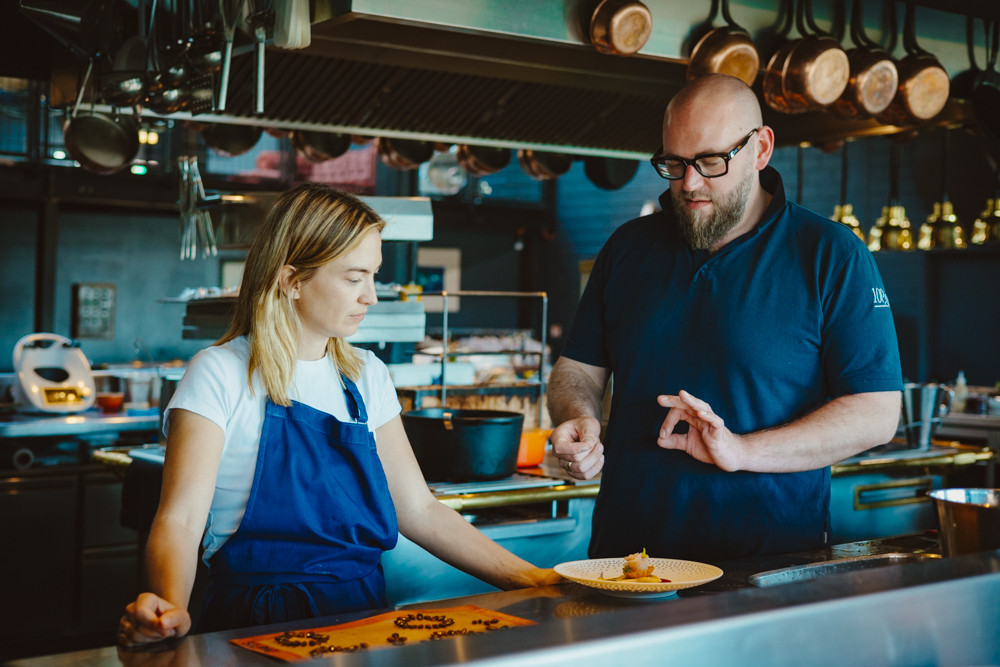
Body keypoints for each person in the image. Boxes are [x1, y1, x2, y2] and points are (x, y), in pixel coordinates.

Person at [118, 184, 559, 646]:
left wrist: (532, 578)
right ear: (292, 281)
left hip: (363, 619)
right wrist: (170, 608)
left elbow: (419, 509)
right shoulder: (221, 371)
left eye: (374, 276)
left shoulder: (367, 375)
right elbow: (180, 520)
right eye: (354, 279)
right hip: (254, 622)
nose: (371, 296)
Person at [547, 74, 903, 563]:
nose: (689, 183)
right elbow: (578, 370)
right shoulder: (626, 248)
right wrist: (578, 419)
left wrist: (741, 451)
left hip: (769, 566)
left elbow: (877, 413)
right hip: (628, 562)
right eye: (673, 163)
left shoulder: (831, 254)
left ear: (761, 149)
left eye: (711, 161)